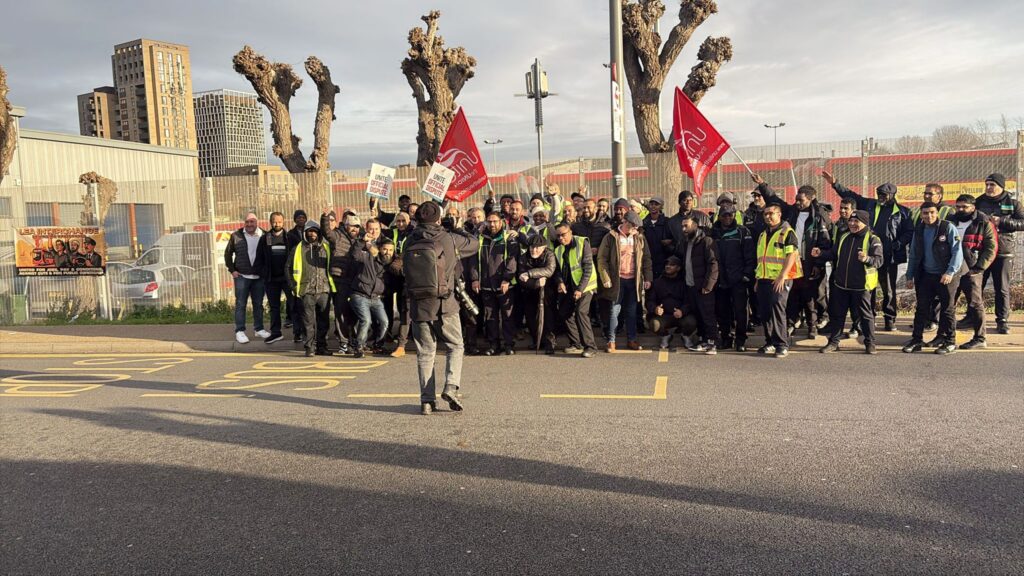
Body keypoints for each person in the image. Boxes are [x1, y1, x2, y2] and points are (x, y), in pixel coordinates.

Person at [403, 201, 479, 415]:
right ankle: (451, 387)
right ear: (438, 219)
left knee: (425, 353)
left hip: (419, 307)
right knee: (456, 346)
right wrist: (456, 227)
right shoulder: (449, 238)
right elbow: (475, 244)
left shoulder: (409, 241)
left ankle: (427, 401)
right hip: (446, 305)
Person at [823, 171, 912, 332]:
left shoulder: (903, 212)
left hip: (888, 257)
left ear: (892, 195)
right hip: (865, 255)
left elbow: (908, 232)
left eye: (884, 194)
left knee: (888, 290)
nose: (880, 196)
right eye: (878, 193)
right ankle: (867, 318)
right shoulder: (870, 204)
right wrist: (835, 183)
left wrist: (897, 244)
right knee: (866, 289)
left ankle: (889, 318)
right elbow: (850, 195)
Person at [903, 202, 965, 355]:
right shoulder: (919, 229)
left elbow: (957, 252)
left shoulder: (947, 227)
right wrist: (910, 275)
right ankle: (916, 339)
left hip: (946, 275)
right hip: (926, 275)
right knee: (922, 308)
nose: (928, 216)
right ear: (921, 214)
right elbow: (914, 254)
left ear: (937, 213)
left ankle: (950, 341)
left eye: (932, 212)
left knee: (947, 309)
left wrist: (950, 272)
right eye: (925, 213)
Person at [819, 210, 883, 354]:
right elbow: (834, 254)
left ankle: (870, 343)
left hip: (861, 286)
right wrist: (821, 254)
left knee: (866, 316)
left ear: (865, 223)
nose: (852, 224)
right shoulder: (844, 236)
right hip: (841, 285)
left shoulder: (873, 239)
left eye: (856, 221)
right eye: (851, 221)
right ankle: (833, 342)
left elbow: (879, 261)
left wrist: (867, 259)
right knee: (837, 315)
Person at [974, 172, 1024, 334]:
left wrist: (1001, 221)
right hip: (983, 251)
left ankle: (1002, 320)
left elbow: (1022, 223)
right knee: (976, 286)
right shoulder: (979, 201)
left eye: (992, 185)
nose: (988, 188)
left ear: (1001, 186)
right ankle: (973, 317)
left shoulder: (1013, 203)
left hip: (1003, 251)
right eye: (987, 184)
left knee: (1001, 288)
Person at [597, 210, 653, 352]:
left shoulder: (639, 237)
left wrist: (648, 278)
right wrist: (606, 278)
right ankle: (611, 341)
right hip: (617, 280)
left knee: (632, 312)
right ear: (625, 222)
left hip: (633, 280)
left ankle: (632, 340)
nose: (635, 229)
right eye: (633, 226)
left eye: (637, 227)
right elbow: (602, 259)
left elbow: (646, 259)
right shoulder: (611, 237)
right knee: (614, 311)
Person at [754, 204, 801, 358]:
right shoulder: (763, 234)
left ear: (779, 214)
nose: (768, 216)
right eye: (765, 214)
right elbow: (761, 259)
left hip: (780, 279)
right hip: (763, 279)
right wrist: (757, 279)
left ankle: (782, 344)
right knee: (765, 312)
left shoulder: (787, 232)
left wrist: (782, 276)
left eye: (771, 213)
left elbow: (791, 255)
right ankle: (770, 342)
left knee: (777, 308)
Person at [951, 195, 998, 349]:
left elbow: (991, 247)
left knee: (975, 303)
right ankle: (946, 336)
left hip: (971, 270)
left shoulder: (983, 222)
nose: (960, 210)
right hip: (952, 269)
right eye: (958, 206)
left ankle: (980, 338)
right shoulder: (950, 220)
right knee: (948, 303)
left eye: (964, 207)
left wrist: (978, 268)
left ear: (973, 207)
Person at [787, 185, 832, 339]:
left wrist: (818, 264)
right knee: (793, 293)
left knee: (811, 296)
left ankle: (813, 325)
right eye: (796, 199)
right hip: (794, 261)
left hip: (810, 263)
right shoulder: (792, 214)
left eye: (801, 200)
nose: (797, 203)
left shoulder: (819, 217)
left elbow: (825, 243)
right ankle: (792, 322)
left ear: (811, 198)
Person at [470, 212, 518, 355]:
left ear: (501, 222)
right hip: (485, 284)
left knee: (507, 317)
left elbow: (512, 260)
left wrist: (506, 279)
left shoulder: (508, 237)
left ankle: (509, 345)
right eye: (489, 221)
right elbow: (473, 261)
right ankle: (493, 345)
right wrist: (474, 279)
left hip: (504, 285)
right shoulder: (479, 238)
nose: (492, 224)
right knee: (490, 317)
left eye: (495, 221)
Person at [286, 221, 334, 357]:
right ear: (305, 233)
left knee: (324, 321)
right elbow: (288, 267)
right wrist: (293, 286)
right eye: (309, 231)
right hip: (306, 290)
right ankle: (309, 347)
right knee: (308, 322)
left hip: (324, 289)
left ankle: (322, 347)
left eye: (315, 231)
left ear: (319, 233)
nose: (312, 234)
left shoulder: (326, 247)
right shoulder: (298, 248)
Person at [711, 203, 755, 352]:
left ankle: (741, 340)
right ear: (719, 216)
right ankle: (726, 338)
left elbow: (750, 256)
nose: (727, 218)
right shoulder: (713, 233)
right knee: (723, 312)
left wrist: (746, 275)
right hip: (720, 280)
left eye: (730, 215)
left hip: (738, 280)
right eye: (724, 215)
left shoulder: (742, 232)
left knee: (740, 312)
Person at [675, 212, 720, 354]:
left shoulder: (706, 241)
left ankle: (712, 342)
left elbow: (714, 264)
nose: (683, 229)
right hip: (691, 285)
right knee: (699, 315)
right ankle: (702, 340)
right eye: (682, 227)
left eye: (686, 226)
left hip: (704, 286)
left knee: (708, 315)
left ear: (695, 225)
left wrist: (708, 285)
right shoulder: (686, 242)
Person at [552, 222, 598, 358]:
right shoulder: (558, 250)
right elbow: (558, 271)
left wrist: (580, 289)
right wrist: (560, 282)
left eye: (563, 235)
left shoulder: (582, 243)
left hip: (586, 286)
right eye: (558, 236)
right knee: (565, 312)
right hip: (569, 287)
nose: (561, 238)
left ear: (570, 232)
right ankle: (576, 344)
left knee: (581, 312)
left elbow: (588, 268)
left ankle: (590, 346)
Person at [224, 213, 270, 344]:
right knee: (240, 304)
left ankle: (259, 329)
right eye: (247, 222)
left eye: (252, 222)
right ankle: (240, 330)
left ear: (257, 222)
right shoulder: (236, 236)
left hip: (259, 277)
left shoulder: (264, 235)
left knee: (258, 304)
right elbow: (228, 254)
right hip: (242, 276)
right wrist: (232, 270)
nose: (249, 224)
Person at [321, 210, 360, 353]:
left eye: (357, 226)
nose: (354, 229)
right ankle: (344, 341)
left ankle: (354, 340)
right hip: (340, 279)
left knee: (354, 312)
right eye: (352, 226)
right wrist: (325, 217)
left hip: (355, 279)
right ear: (345, 225)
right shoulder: (337, 235)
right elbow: (326, 231)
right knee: (341, 311)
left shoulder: (359, 238)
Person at [348, 229, 390, 358]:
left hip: (376, 298)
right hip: (360, 295)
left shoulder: (389, 263)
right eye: (384, 249)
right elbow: (354, 254)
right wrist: (362, 241)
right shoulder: (367, 257)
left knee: (385, 322)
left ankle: (378, 345)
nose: (387, 252)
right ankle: (359, 347)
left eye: (389, 250)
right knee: (366, 320)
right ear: (378, 248)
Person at [647, 256, 699, 351]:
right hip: (664, 316)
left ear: (678, 268)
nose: (668, 267)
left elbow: (689, 302)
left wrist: (682, 311)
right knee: (654, 324)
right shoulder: (657, 282)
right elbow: (650, 301)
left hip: (681, 316)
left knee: (691, 322)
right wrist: (655, 308)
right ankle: (665, 336)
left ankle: (686, 336)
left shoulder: (684, 283)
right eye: (667, 264)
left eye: (672, 265)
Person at [518, 235, 557, 354]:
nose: (534, 250)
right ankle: (537, 340)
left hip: (547, 290)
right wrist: (536, 283)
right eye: (532, 247)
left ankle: (550, 343)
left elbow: (549, 270)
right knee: (531, 317)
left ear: (544, 247)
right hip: (529, 290)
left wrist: (530, 273)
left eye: (537, 248)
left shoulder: (549, 255)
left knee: (548, 317)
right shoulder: (523, 258)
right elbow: (521, 277)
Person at [262, 212, 290, 344]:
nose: (277, 224)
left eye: (279, 221)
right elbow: (259, 258)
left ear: (283, 222)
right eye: (274, 221)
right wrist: (263, 273)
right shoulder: (265, 238)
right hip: (271, 279)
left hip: (287, 279)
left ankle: (298, 333)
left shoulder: (289, 237)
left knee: (294, 305)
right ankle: (276, 332)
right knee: (274, 307)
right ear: (270, 222)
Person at [285, 210, 308, 342]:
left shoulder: (310, 231)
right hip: (295, 272)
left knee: (306, 308)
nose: (301, 219)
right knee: (295, 305)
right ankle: (297, 332)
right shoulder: (290, 235)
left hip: (307, 272)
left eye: (303, 217)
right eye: (298, 217)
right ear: (294, 220)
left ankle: (307, 332)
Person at [642, 197, 671, 278]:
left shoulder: (667, 222)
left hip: (663, 260)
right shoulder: (644, 223)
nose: (653, 206)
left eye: (656, 204)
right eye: (651, 204)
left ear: (661, 207)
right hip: (648, 261)